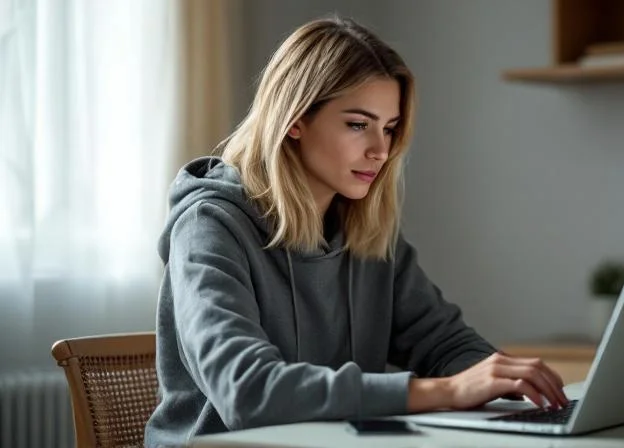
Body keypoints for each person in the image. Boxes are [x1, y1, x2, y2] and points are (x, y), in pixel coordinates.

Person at [144, 16, 568, 447]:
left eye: (388, 128)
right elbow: (247, 391)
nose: (381, 151)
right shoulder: (209, 227)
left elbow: (442, 342)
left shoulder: (363, 232)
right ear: (295, 119)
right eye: (358, 124)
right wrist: (448, 390)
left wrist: (497, 378)